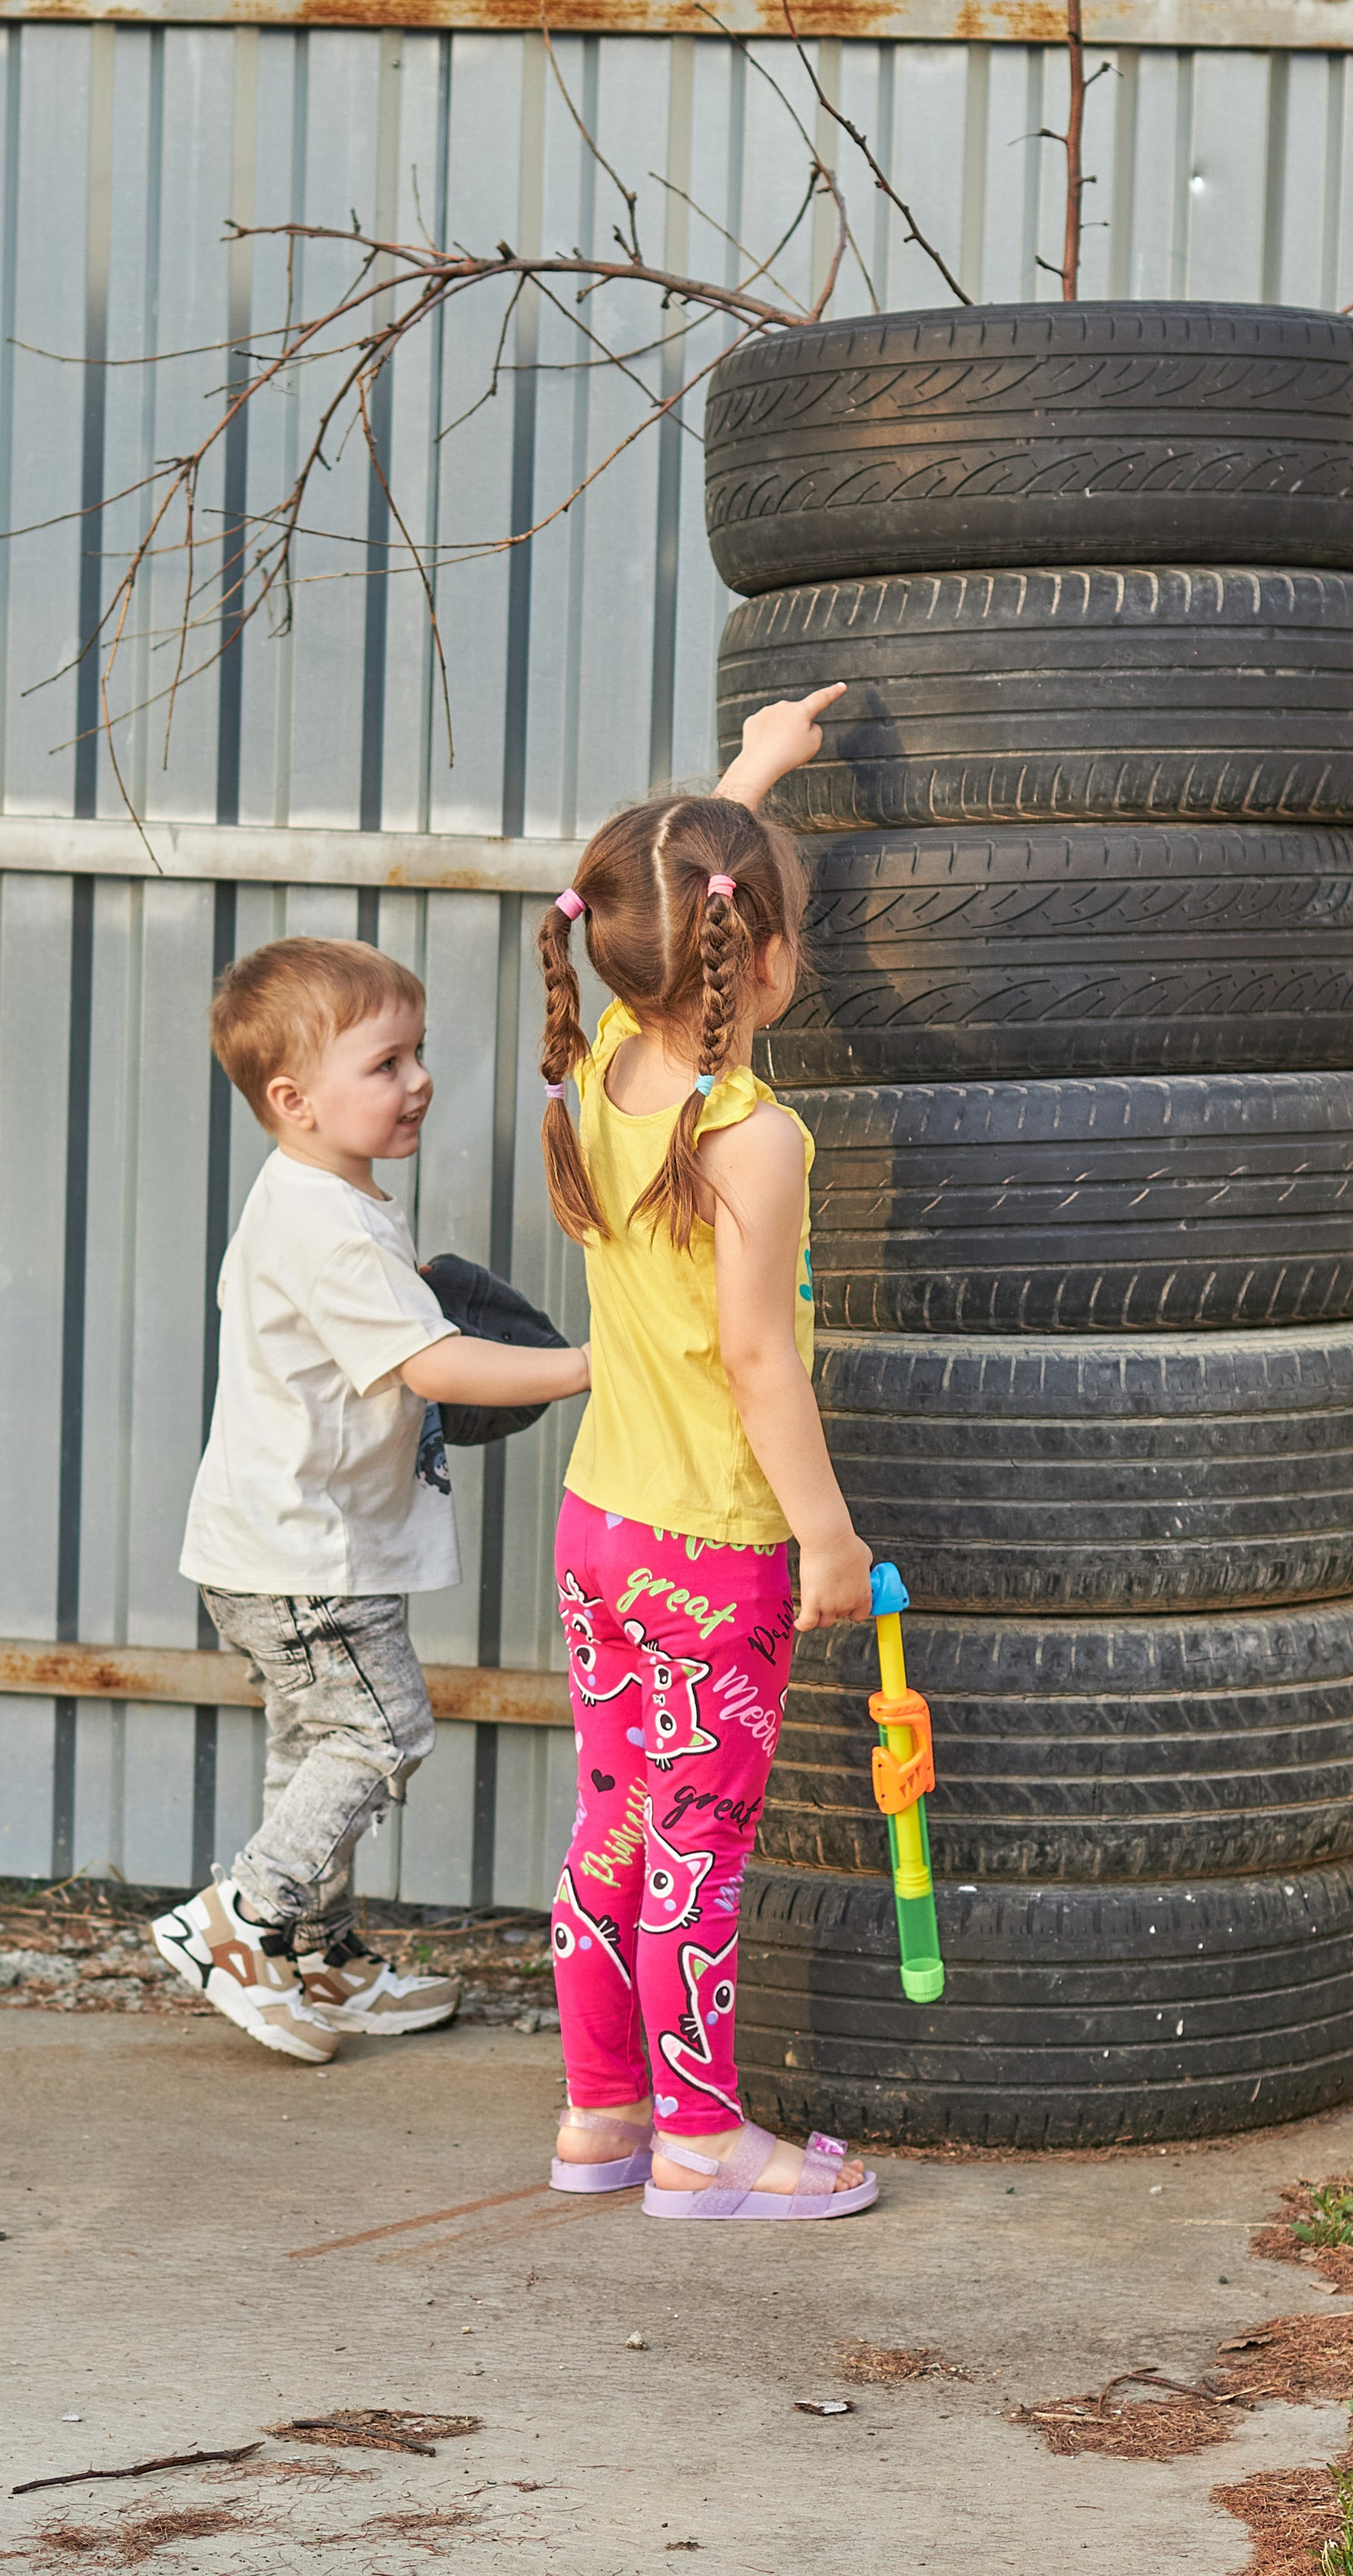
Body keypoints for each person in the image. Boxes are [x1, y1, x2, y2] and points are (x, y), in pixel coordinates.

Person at [537, 685, 882, 2220]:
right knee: (697, 1844)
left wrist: (751, 768)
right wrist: (824, 1533)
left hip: (601, 1527)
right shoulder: (753, 1132)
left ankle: (599, 2120)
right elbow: (760, 1359)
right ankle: (700, 2142)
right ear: (763, 951)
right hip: (711, 1548)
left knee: (613, 1819)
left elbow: (662, 892)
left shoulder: (603, 1056)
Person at [149, 935, 590, 2065]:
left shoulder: (322, 1195)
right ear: (293, 1100)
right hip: (308, 1557)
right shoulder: (326, 1225)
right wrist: (599, 1362)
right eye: (386, 1063)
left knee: (315, 1750)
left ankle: (316, 1953)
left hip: (278, 1546)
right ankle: (242, 1918)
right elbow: (436, 1366)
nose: (418, 1081)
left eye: (418, 1053)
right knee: (380, 1728)